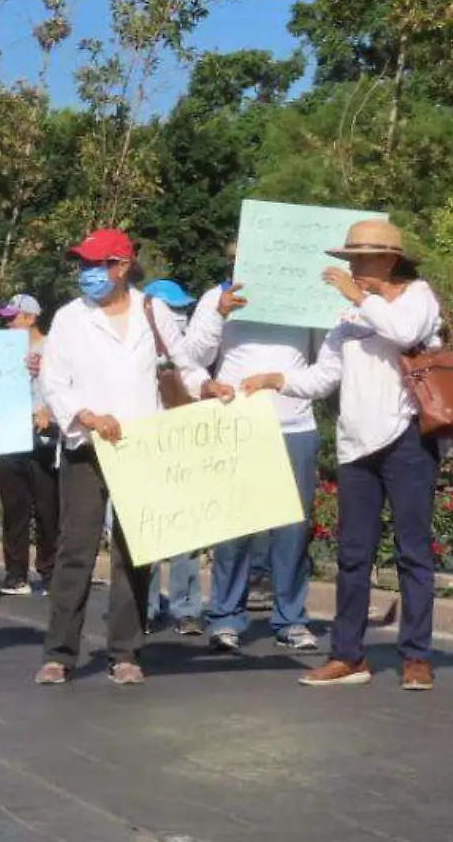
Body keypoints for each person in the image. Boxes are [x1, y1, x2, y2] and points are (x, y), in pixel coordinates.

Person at [243, 219, 443, 691]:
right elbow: (322, 378)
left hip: (409, 439)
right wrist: (276, 380)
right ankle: (347, 655)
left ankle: (416, 655)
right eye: (349, 258)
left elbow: (404, 330)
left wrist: (360, 296)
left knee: (413, 551)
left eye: (361, 257)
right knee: (352, 555)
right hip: (356, 445)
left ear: (389, 259)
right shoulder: (349, 318)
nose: (351, 266)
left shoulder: (418, 296)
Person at [37, 229, 214, 686]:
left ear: (120, 266)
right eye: (81, 265)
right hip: (87, 447)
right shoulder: (69, 318)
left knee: (135, 553)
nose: (86, 274)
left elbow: (183, 365)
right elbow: (54, 381)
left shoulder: (153, 311)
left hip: (142, 447)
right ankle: (60, 653)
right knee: (75, 550)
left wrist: (207, 387)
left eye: (95, 265)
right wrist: (85, 416)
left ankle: (126, 651)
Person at [181, 247, 325, 654]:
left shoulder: (306, 302)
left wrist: (283, 383)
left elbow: (323, 361)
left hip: (295, 424)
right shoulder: (216, 297)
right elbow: (192, 358)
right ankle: (225, 617)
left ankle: (292, 619)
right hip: (236, 423)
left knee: (292, 530)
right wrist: (219, 313)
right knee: (232, 528)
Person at [136, 277, 204, 637]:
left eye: (182, 309)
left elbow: (198, 378)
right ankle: (144, 606)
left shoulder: (186, 351)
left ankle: (186, 607)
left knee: (185, 527)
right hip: (143, 445)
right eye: (172, 308)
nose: (179, 316)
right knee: (144, 530)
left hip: (181, 443)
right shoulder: (132, 347)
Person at [0, 293, 59, 599]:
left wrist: (50, 412)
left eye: (13, 318)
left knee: (48, 509)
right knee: (14, 509)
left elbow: (68, 387)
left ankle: (50, 572)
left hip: (45, 441)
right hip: (11, 438)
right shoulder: (0, 351)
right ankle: (16, 575)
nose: (7, 324)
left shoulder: (54, 348)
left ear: (30, 318)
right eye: (5, 318)